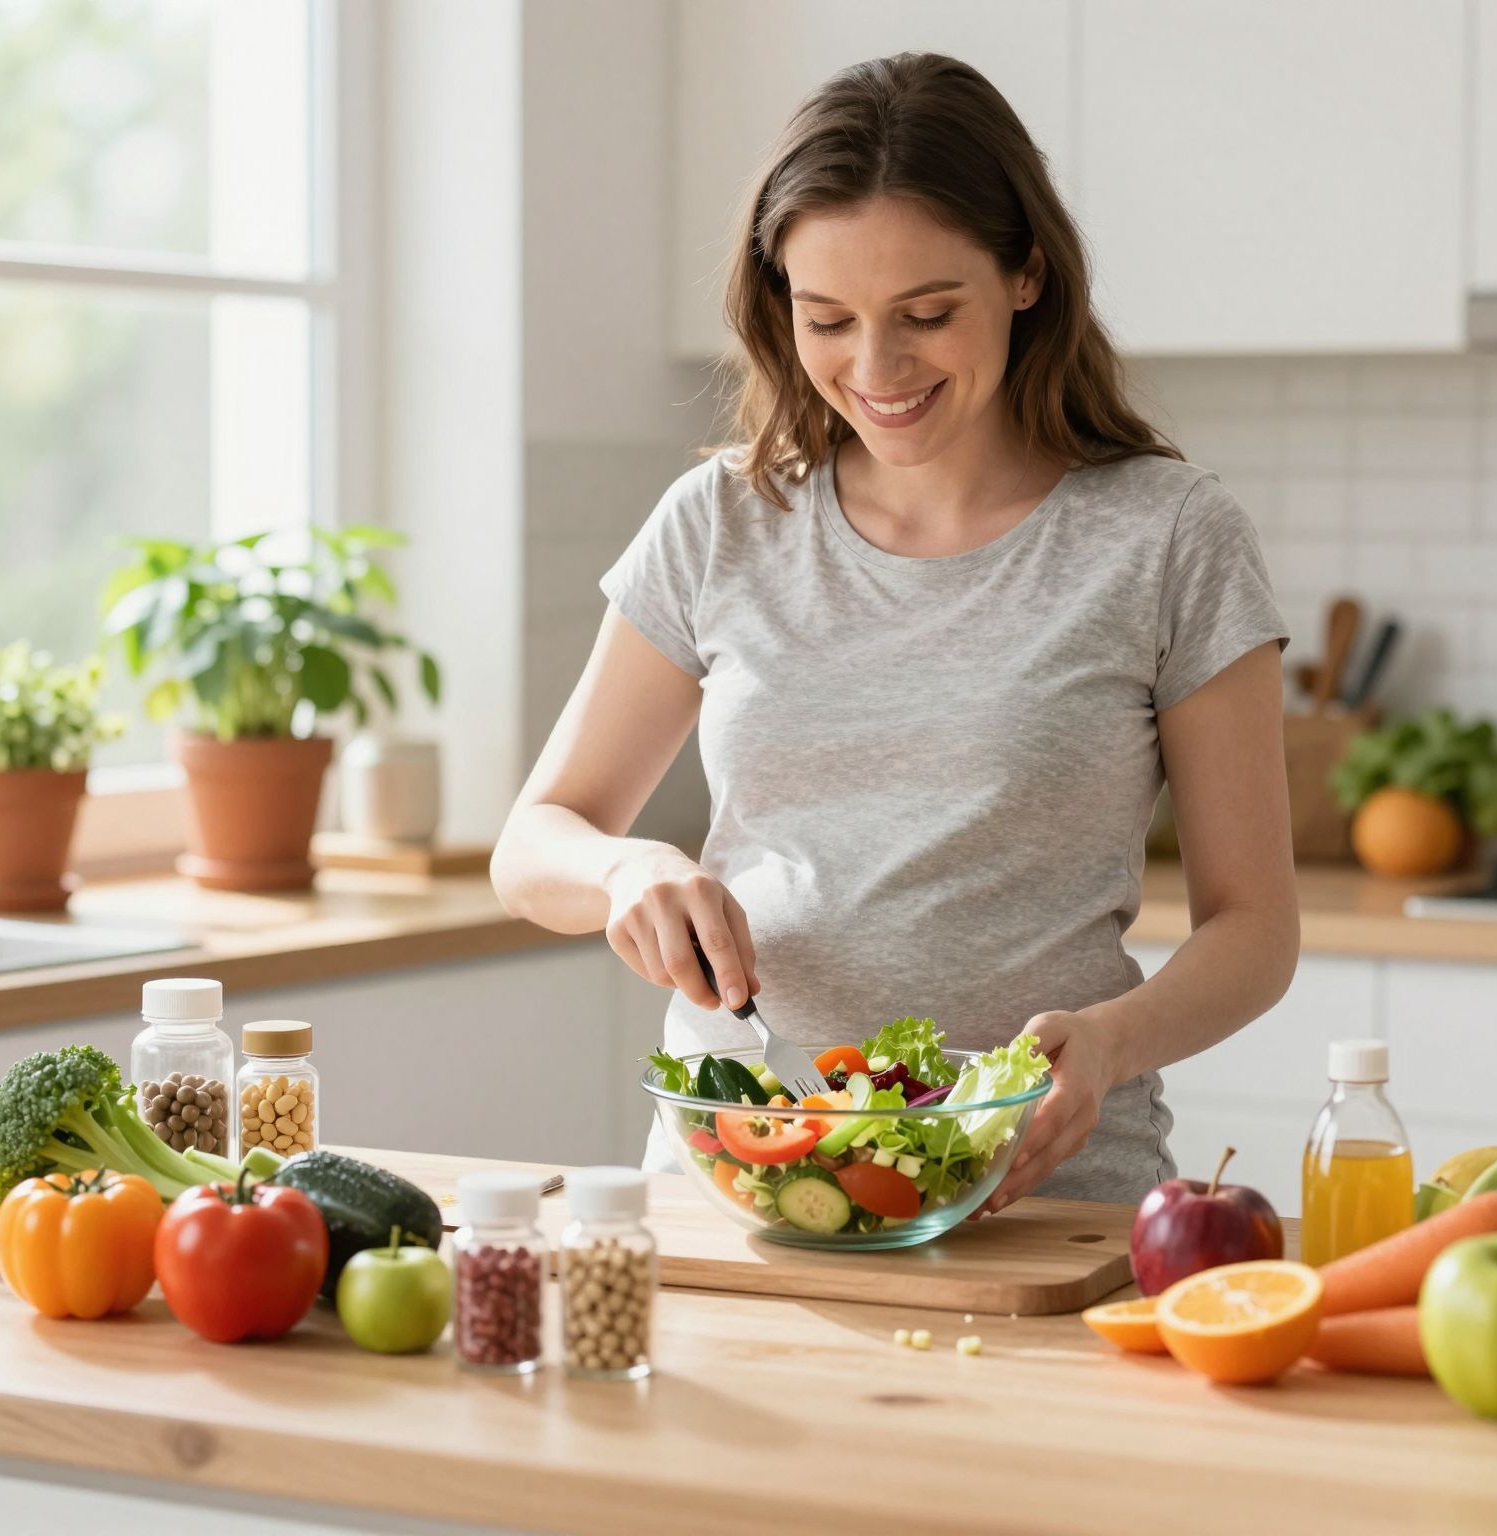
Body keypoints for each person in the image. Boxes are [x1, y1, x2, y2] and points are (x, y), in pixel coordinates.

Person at [491, 52, 1298, 1210]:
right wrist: (626, 870)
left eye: (926, 314)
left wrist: (1112, 1044)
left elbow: (1255, 929)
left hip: (1042, 1197)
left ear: (1025, 272)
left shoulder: (1166, 538)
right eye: (827, 319)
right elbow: (531, 846)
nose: (875, 370)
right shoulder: (721, 520)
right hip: (741, 1188)